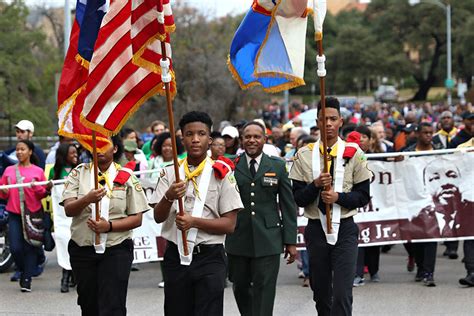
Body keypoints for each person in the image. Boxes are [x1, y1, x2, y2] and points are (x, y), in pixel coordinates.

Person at [151, 111, 243, 315]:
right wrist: (169, 196)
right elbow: (158, 217)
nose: (195, 139)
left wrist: (194, 221)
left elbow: (229, 224)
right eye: (189, 134)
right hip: (176, 255)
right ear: (181, 138)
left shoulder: (222, 174)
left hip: (209, 257)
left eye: (201, 134)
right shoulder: (169, 173)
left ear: (209, 139)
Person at [289, 97, 372, 315]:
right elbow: (297, 198)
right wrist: (315, 185)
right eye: (324, 119)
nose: (328, 124)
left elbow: (363, 196)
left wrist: (338, 197)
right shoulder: (304, 155)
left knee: (343, 293)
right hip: (316, 229)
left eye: (333, 119)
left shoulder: (355, 154)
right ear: (317, 121)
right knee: (321, 291)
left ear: (341, 122)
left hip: (345, 229)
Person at [61, 136, 150, 315]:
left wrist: (108, 226)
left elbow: (136, 218)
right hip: (83, 248)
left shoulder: (126, 176)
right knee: (88, 303)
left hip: (116, 248)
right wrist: (87, 199)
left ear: (115, 149)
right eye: (95, 145)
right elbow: (69, 209)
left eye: (105, 145)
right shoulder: (78, 173)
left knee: (113, 304)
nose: (99, 149)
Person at [226, 122, 297, 316]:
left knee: (264, 288)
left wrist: (290, 241)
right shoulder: (230, 165)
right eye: (247, 136)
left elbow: (288, 206)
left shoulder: (277, 165)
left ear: (264, 140)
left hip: (269, 237)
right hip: (237, 236)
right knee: (240, 286)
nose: (252, 140)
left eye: (256, 136)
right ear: (241, 140)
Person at [0, 140, 49, 292]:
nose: (19, 152)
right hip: (14, 213)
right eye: (17, 150)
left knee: (31, 246)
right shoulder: (8, 170)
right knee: (15, 247)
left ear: (30, 152)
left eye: (23, 149)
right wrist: (5, 192)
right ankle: (22, 269)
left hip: (33, 213)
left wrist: (38, 188)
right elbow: (2, 190)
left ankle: (26, 279)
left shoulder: (38, 171)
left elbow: (43, 193)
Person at [402, 123, 443, 287]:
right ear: (417, 134)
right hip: (413, 200)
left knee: (431, 236)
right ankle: (420, 266)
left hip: (433, 200)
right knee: (416, 237)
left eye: (431, 133)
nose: (428, 136)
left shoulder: (440, 151)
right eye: (425, 132)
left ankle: (429, 272)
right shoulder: (407, 152)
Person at [48, 143, 79, 293]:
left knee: (76, 245)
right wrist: (48, 186)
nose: (75, 156)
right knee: (64, 244)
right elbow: (49, 190)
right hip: (62, 218)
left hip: (77, 217)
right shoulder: (55, 171)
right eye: (72, 153)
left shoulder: (80, 170)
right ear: (63, 155)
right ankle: (65, 278)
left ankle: (73, 276)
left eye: (76, 153)